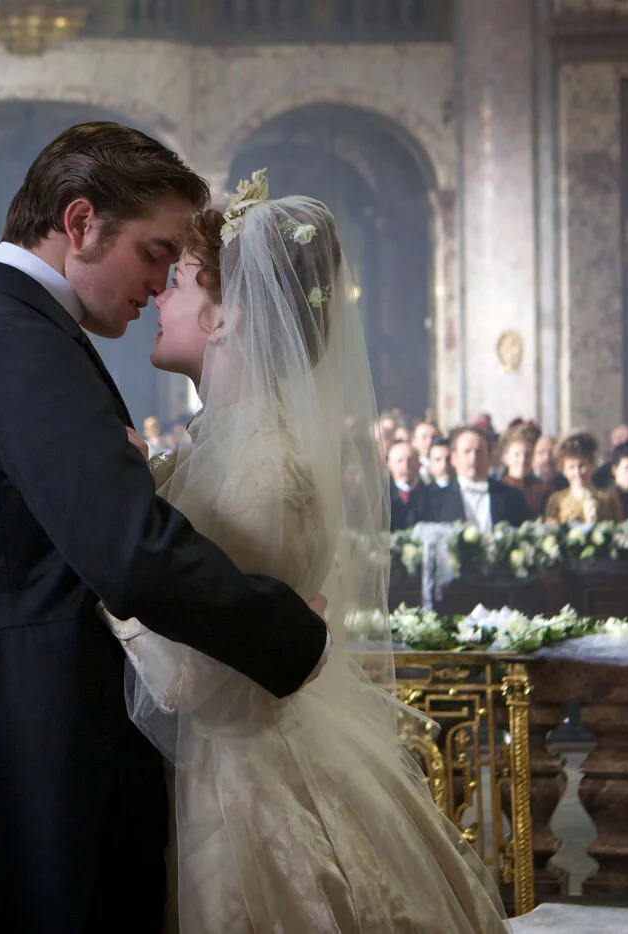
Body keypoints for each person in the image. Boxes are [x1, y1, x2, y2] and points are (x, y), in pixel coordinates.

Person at [0, 126, 330, 934]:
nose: (160, 282)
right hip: (46, 742)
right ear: (81, 223)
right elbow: (131, 554)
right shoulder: (20, 344)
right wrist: (291, 632)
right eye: (156, 252)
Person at [115, 183, 508, 932]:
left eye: (181, 281)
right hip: (227, 763)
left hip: (248, 786)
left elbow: (196, 675)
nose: (160, 296)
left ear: (226, 316)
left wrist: (111, 567)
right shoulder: (225, 444)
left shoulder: (265, 465)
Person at [420, 426, 531, 530]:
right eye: (467, 452)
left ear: (489, 457)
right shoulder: (434, 500)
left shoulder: (512, 497)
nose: (473, 458)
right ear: (454, 458)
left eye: (479, 452)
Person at [543, 432, 623, 524]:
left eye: (581, 466)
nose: (577, 472)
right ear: (564, 471)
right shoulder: (557, 500)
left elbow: (619, 526)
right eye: (571, 467)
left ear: (592, 465)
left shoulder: (608, 498)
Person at [496, 424, 550, 516]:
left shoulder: (543, 489)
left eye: (527, 455)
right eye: (517, 455)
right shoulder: (498, 491)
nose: (522, 460)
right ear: (506, 457)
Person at [385, 438, 421, 530]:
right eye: (400, 461)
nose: (406, 466)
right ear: (389, 464)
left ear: (418, 463)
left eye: (410, 460)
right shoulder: (383, 497)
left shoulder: (431, 496)